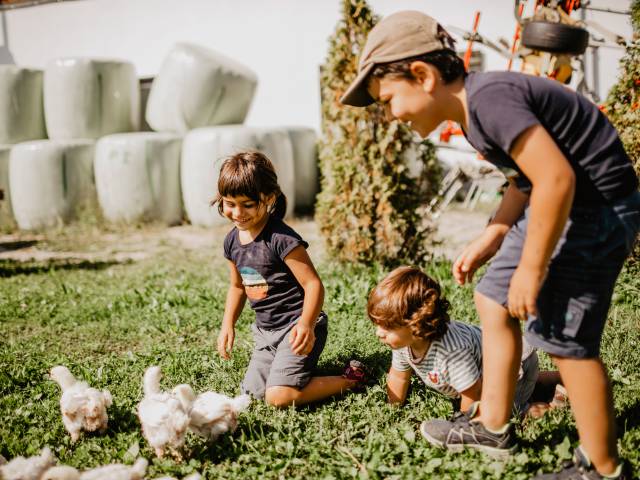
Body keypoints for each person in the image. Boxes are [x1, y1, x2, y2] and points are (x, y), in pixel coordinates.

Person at [340, 10, 639, 479]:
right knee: (491, 296)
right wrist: (494, 234)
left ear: (422, 76)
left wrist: (532, 268)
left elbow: (556, 178)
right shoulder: (475, 115)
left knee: (565, 340)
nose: (392, 114)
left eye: (389, 99)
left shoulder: (490, 101)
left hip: (594, 209)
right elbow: (525, 182)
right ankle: (492, 424)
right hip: (560, 201)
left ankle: (601, 468)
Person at [214, 151, 365, 407]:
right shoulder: (232, 241)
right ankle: (292, 375)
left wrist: (306, 325)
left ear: (269, 198)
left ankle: (351, 379)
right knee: (250, 395)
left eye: (247, 204)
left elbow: (313, 284)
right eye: (230, 203)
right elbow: (237, 287)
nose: (237, 212)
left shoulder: (281, 239)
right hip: (265, 334)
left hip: (296, 328)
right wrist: (227, 324)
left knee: (278, 397)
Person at [368, 266, 564, 430]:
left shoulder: (451, 353)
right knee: (528, 383)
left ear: (416, 324)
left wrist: (463, 426)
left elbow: (473, 392)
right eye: (377, 325)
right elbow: (399, 376)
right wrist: (391, 410)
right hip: (504, 360)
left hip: (514, 364)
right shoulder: (405, 342)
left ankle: (556, 405)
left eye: (387, 326)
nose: (378, 333)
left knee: (505, 414)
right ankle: (562, 378)